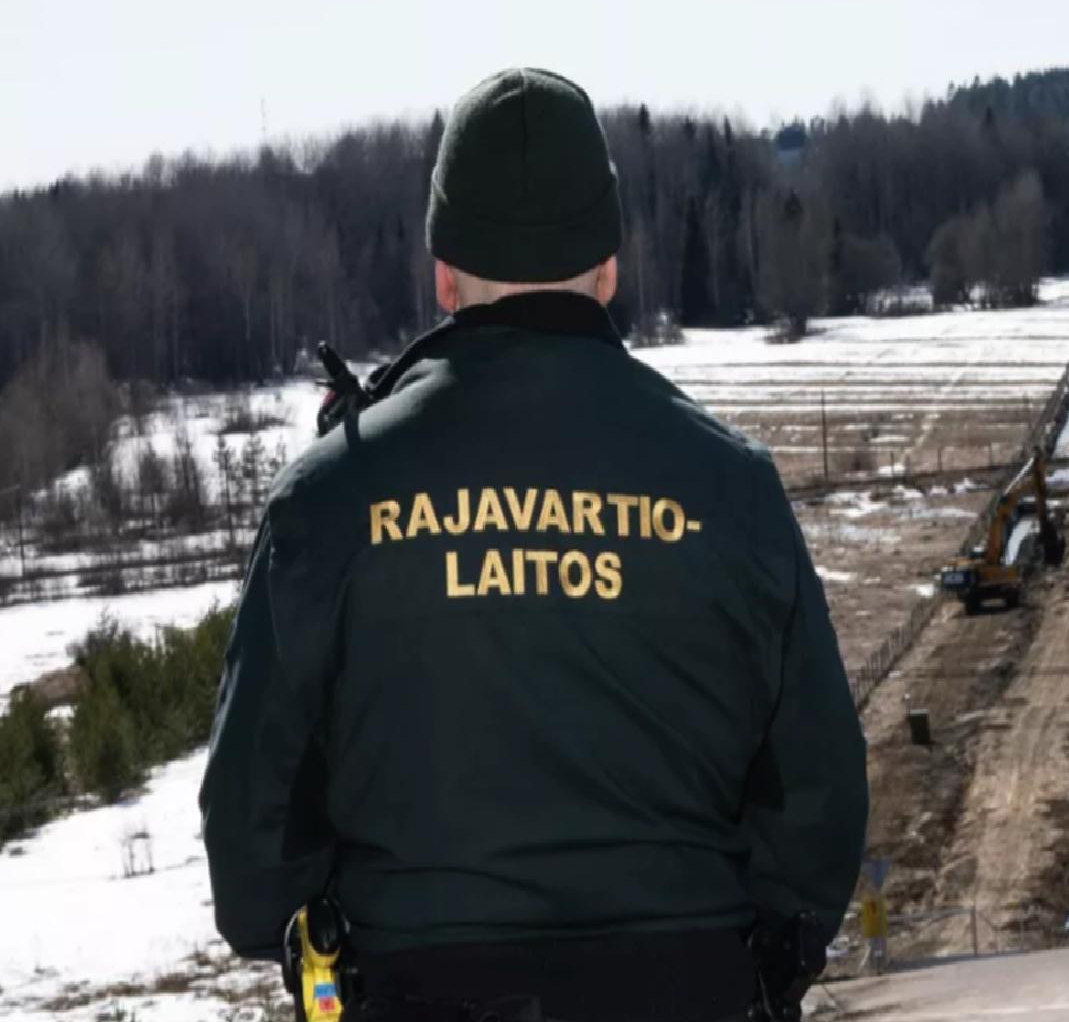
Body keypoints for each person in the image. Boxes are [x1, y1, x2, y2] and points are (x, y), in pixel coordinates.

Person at [200, 68, 869, 1022]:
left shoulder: (329, 498)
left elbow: (251, 846)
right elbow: (820, 798)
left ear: (443, 272)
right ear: (607, 269)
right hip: (685, 985)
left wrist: (322, 937)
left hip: (414, 987)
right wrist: (752, 967)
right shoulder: (731, 487)